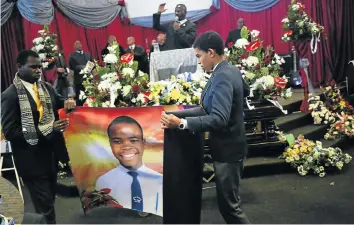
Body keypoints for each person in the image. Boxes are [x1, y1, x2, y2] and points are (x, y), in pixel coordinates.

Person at [160, 31, 251, 224]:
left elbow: (218, 119)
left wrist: (182, 124)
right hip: (232, 146)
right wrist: (175, 115)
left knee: (230, 208)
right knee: (229, 206)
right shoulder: (229, 70)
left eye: (199, 56)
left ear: (211, 52)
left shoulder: (222, 76)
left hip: (228, 151)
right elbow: (208, 107)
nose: (199, 62)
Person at [1, 50, 76, 224]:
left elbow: (60, 102)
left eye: (39, 67)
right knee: (45, 209)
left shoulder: (46, 87)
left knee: (49, 202)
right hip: (31, 161)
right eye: (33, 67)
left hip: (50, 157)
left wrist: (68, 103)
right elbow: (11, 132)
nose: (38, 71)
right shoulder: (10, 96)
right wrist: (47, 129)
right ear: (19, 67)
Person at [95, 116, 163, 216]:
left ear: (143, 143)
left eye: (134, 140)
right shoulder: (104, 181)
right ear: (110, 144)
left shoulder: (160, 180)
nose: (126, 147)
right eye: (117, 141)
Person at [68, 40, 94, 106]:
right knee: (81, 100)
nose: (79, 45)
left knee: (91, 97)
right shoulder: (72, 56)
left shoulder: (88, 54)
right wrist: (84, 67)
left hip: (89, 80)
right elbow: (73, 67)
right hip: (79, 81)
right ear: (74, 47)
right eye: (76, 44)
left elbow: (93, 64)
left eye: (80, 43)